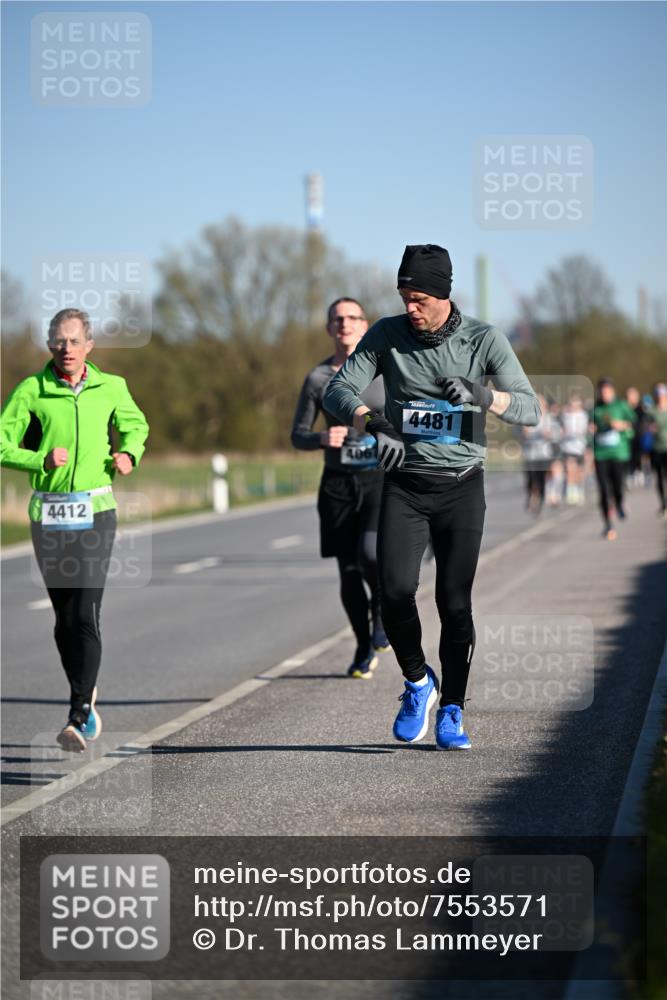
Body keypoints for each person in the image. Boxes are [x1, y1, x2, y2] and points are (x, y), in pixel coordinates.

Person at [324, 244, 540, 749]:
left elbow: (530, 409)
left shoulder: (484, 339)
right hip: (405, 485)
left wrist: (484, 395)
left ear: (443, 294)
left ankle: (453, 710)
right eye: (404, 297)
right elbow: (339, 390)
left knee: (453, 602)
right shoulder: (386, 335)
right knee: (395, 588)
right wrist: (372, 422)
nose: (410, 308)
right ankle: (419, 681)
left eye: (419, 298)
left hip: (462, 488)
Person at [0, 308, 149, 751]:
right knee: (65, 619)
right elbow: (2, 443)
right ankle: (86, 691)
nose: (66, 349)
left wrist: (129, 454)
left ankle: (78, 712)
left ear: (89, 346)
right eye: (58, 341)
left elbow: (136, 426)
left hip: (95, 510)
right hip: (48, 515)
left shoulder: (112, 387)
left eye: (74, 341)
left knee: (85, 612)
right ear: (50, 345)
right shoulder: (33, 390)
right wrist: (37, 460)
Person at [291, 298, 389, 679]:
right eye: (337, 319)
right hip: (337, 485)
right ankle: (363, 647)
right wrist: (320, 438)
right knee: (348, 571)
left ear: (365, 325)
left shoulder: (385, 370)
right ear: (329, 329)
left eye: (352, 318)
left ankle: (381, 611)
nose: (345, 324)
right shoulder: (317, 378)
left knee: (370, 554)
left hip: (379, 477)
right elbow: (297, 436)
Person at [590, 377, 636, 541]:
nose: (605, 394)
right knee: (603, 490)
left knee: (617, 487)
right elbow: (589, 429)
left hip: (618, 453)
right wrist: (591, 430)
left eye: (607, 391)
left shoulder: (621, 406)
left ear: (613, 391)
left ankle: (620, 501)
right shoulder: (595, 409)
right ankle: (608, 524)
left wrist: (622, 425)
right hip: (600, 454)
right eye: (602, 391)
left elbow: (634, 423)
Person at [521, 395, 560, 514]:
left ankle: (540, 501)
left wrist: (549, 434)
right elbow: (525, 433)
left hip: (544, 454)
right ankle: (530, 496)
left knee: (541, 479)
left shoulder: (549, 419)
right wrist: (527, 432)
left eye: (541, 404)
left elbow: (556, 434)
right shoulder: (528, 418)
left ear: (545, 406)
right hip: (531, 454)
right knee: (530, 479)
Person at [560, 393, 589, 505]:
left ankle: (579, 489)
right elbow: (563, 429)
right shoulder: (566, 415)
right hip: (568, 447)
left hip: (579, 447)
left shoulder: (583, 415)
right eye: (572, 404)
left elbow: (583, 430)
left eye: (576, 404)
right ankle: (571, 491)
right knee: (570, 468)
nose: (574, 406)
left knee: (579, 472)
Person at [647, 382, 667, 518]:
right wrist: (650, 428)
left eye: (663, 394)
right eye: (658, 395)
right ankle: (663, 504)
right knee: (659, 478)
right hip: (657, 448)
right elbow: (646, 427)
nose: (661, 397)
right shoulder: (651, 411)